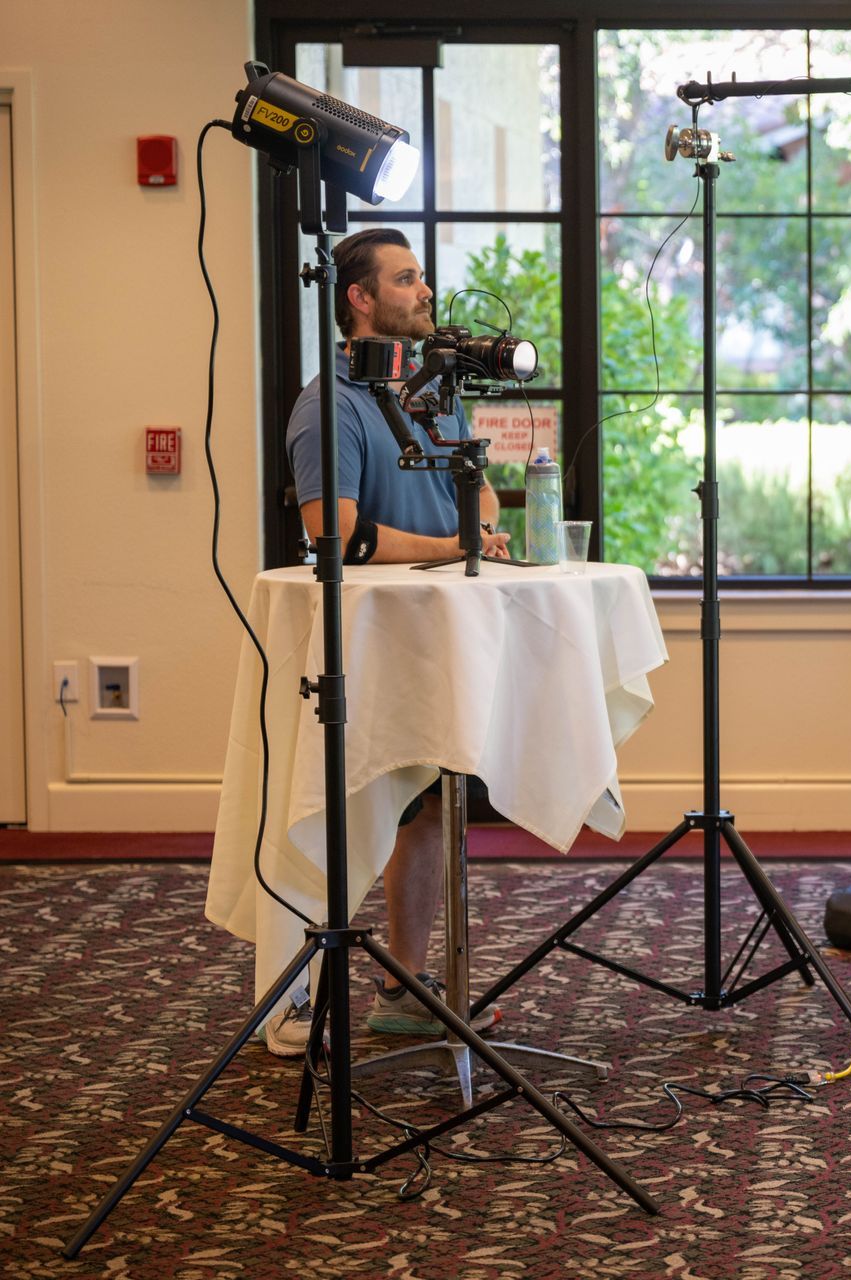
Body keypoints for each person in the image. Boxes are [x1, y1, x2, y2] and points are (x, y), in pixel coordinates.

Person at [266, 227, 511, 1056]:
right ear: (358, 300)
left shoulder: (430, 391)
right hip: (363, 644)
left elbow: (477, 491)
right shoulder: (326, 406)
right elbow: (331, 535)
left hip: (440, 631)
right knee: (372, 803)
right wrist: (452, 548)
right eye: (406, 280)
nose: (426, 293)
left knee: (434, 798)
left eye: (424, 278)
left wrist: (480, 528)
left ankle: (407, 983)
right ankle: (299, 989)